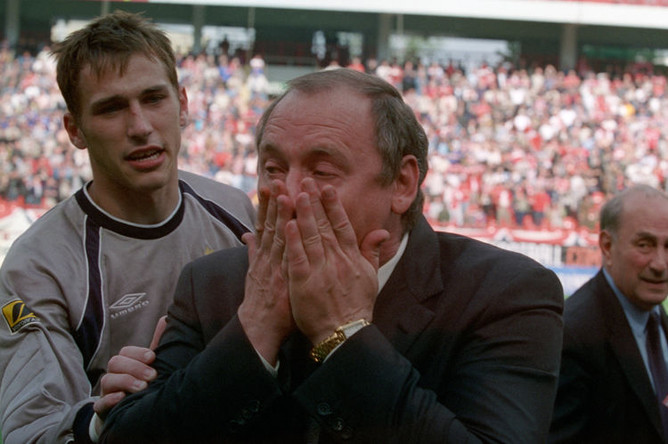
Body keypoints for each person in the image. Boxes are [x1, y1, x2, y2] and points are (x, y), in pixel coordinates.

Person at [101, 68, 564, 443]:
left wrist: (341, 335)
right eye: (272, 168)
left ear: (402, 183)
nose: (287, 192)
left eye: (322, 171)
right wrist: (255, 329)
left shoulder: (504, 294)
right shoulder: (212, 283)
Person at [0, 11, 255, 444]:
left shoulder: (233, 210)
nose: (140, 126)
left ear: (183, 105)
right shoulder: (38, 267)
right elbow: (30, 431)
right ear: (75, 130)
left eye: (154, 99)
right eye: (112, 108)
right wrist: (103, 420)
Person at [550, 185, 668, 443]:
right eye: (644, 245)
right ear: (607, 245)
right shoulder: (573, 336)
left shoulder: (655, 313)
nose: (660, 263)